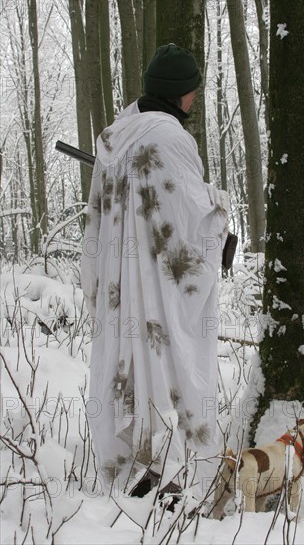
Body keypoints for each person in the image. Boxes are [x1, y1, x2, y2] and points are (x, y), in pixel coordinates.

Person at [81, 44, 229, 500]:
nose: (193, 101)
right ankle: (171, 473)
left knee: (127, 369)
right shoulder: (171, 139)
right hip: (157, 293)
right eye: (191, 92)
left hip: (120, 288)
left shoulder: (113, 137)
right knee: (169, 366)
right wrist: (221, 212)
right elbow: (190, 218)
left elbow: (96, 222)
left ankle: (134, 467)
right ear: (178, 94)